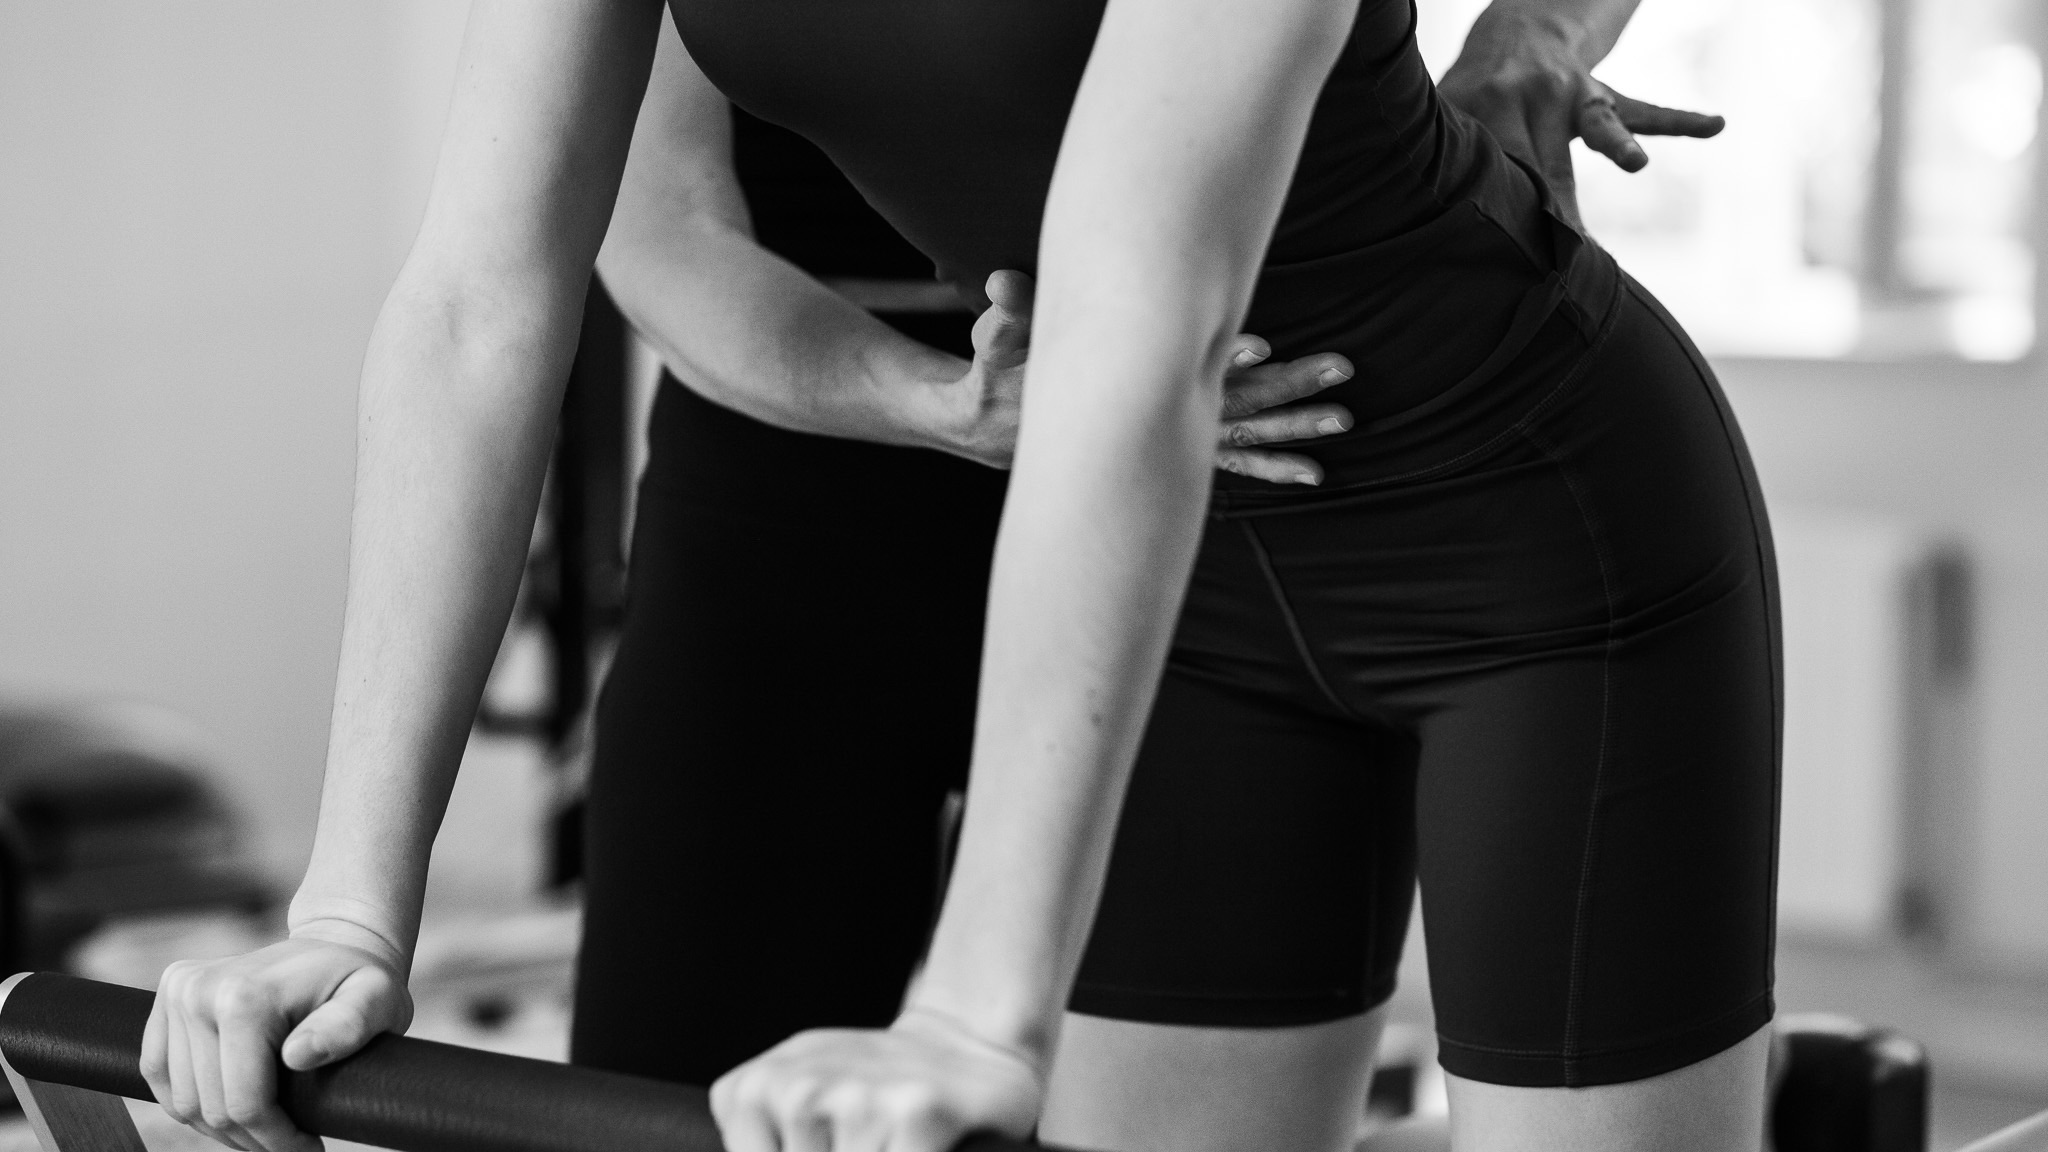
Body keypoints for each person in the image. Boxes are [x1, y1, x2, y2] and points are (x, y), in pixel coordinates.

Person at [140, 0, 1773, 1149]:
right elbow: (480, 307)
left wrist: (971, 1019)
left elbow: (1143, 336)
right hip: (1199, 593)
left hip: (1537, 549)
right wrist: (350, 915)